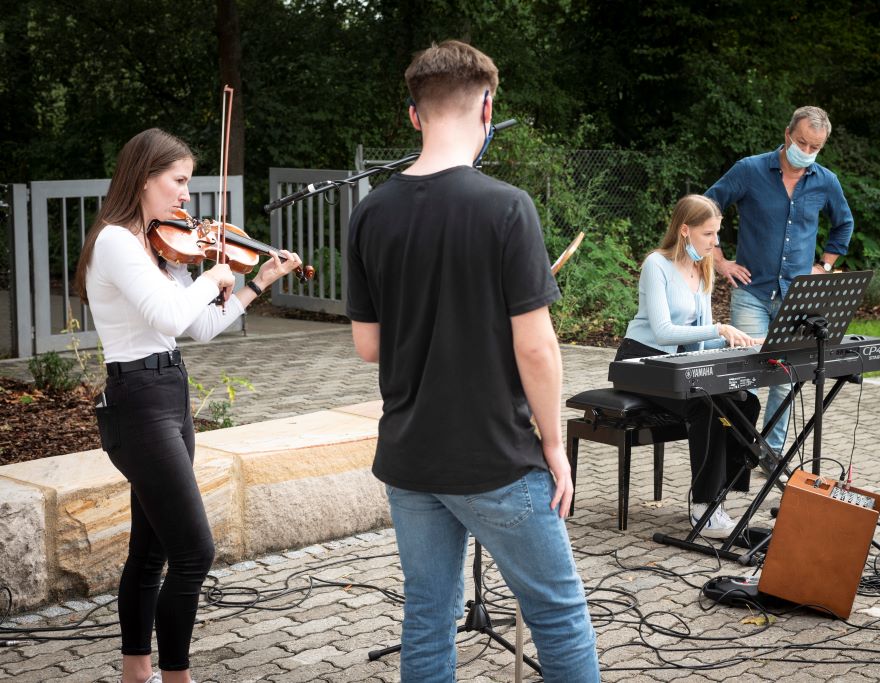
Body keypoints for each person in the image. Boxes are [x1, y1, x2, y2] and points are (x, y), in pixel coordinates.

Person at [347, 40, 600, 682]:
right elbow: (537, 347)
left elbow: (368, 345)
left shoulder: (371, 212)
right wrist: (555, 445)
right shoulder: (506, 206)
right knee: (558, 611)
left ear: (414, 115)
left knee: (428, 615)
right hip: (493, 456)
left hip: (410, 456)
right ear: (488, 108)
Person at [73, 128, 303, 683]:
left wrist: (255, 285)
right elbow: (171, 316)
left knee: (151, 552)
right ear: (144, 176)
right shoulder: (115, 242)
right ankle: (175, 676)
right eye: (178, 181)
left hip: (169, 392)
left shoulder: (158, 246)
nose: (185, 196)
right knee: (194, 552)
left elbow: (197, 327)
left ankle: (137, 672)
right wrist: (215, 274)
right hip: (136, 401)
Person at [705, 105, 854, 463]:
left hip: (797, 298)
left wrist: (825, 266)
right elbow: (707, 206)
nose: (806, 150)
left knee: (784, 379)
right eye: (801, 141)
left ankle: (769, 454)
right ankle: (739, 451)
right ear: (788, 136)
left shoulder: (825, 181)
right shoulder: (749, 170)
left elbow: (843, 224)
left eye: (814, 146)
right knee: (747, 375)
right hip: (752, 293)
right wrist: (721, 260)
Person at [615, 194, 761, 538]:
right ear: (684, 230)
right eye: (708, 234)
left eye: (717, 234)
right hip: (640, 359)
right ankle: (703, 509)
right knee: (707, 408)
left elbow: (698, 341)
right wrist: (719, 328)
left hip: (677, 361)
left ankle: (721, 497)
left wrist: (734, 339)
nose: (715, 242)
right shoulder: (656, 264)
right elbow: (664, 331)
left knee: (744, 400)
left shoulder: (702, 267)